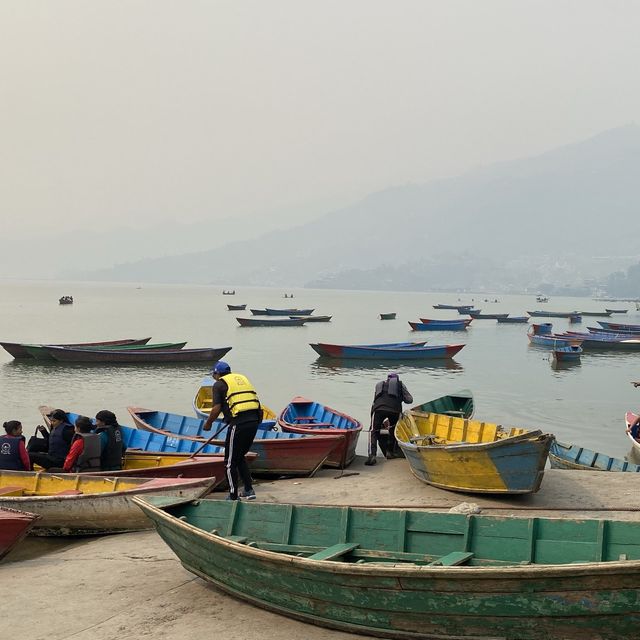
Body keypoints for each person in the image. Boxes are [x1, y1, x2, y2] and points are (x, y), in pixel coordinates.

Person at [202, 360, 261, 501]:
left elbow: (216, 408)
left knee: (229, 462)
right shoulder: (241, 380)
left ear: (217, 374)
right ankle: (249, 490)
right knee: (239, 457)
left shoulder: (219, 385)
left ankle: (233, 496)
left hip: (239, 424)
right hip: (254, 422)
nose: (213, 377)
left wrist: (208, 423)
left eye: (213, 375)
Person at [366, 373, 413, 465]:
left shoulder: (379, 385)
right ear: (397, 380)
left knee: (373, 431)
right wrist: (401, 397)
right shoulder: (400, 385)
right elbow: (409, 400)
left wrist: (372, 416)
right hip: (395, 410)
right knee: (393, 430)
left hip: (379, 409)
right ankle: (390, 452)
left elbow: (374, 401)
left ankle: (372, 455)